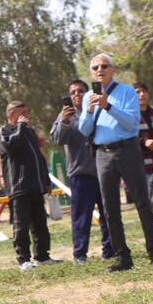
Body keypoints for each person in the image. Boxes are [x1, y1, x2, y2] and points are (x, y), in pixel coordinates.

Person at [77, 53, 153, 272]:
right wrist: (90, 111)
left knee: (142, 202)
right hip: (103, 154)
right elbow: (84, 130)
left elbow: (131, 124)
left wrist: (108, 106)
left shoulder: (126, 92)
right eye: (95, 67)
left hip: (127, 150)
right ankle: (123, 258)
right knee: (110, 208)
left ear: (113, 70)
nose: (100, 70)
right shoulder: (88, 97)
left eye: (104, 66)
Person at [50, 79, 113, 265]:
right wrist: (65, 121)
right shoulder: (65, 115)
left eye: (80, 91)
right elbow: (57, 139)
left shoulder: (99, 109)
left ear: (87, 93)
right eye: (73, 92)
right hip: (80, 173)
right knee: (81, 218)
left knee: (109, 214)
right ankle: (80, 255)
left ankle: (110, 250)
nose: (76, 95)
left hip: (104, 170)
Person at [0, 101, 59, 271]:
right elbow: (10, 148)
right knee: (21, 225)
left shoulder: (30, 132)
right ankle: (23, 259)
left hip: (36, 186)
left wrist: (46, 181)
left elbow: (39, 157)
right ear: (11, 114)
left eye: (26, 112)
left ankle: (42, 256)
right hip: (19, 187)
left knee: (40, 224)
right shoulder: (5, 131)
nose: (26, 115)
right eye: (22, 112)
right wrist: (20, 127)